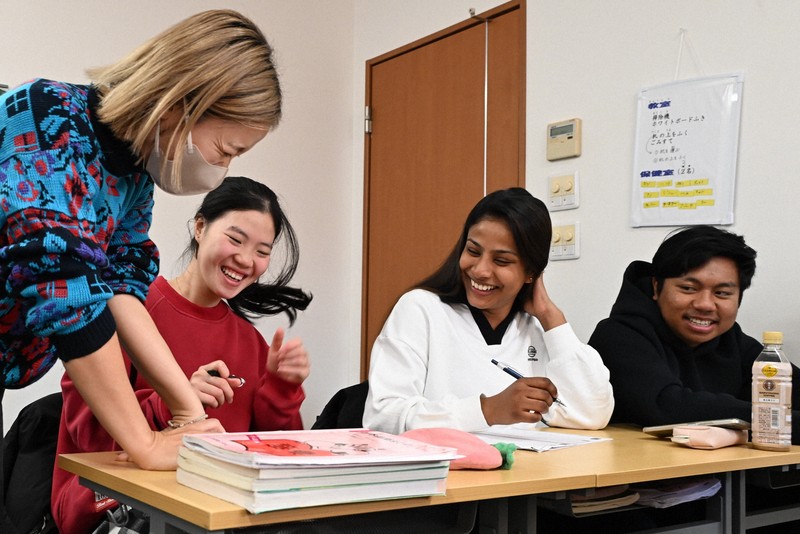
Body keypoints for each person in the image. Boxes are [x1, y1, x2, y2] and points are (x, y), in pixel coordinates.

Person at [1, 10, 282, 531]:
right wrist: (147, 443)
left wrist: (190, 416)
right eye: (226, 150)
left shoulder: (132, 178)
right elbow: (67, 294)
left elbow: (121, 291)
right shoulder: (46, 115)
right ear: (182, 103)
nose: (221, 170)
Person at [52, 176, 313, 533]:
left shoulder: (251, 342)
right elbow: (88, 434)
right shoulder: (129, 309)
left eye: (262, 251)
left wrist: (282, 389)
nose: (245, 259)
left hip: (215, 511)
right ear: (200, 227)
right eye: (235, 239)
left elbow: (274, 461)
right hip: (120, 503)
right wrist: (172, 406)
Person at [363, 187, 614, 434]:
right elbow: (383, 418)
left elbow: (593, 413)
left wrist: (551, 317)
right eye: (473, 251)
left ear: (531, 273)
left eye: (501, 260)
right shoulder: (421, 308)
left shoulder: (535, 326)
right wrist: (488, 410)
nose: (480, 270)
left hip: (525, 472)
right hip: (447, 474)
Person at [589, 225, 800, 442]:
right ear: (656, 287)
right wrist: (775, 419)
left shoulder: (734, 341)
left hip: (720, 473)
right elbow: (667, 407)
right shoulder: (617, 336)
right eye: (688, 288)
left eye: (722, 293)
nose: (705, 304)